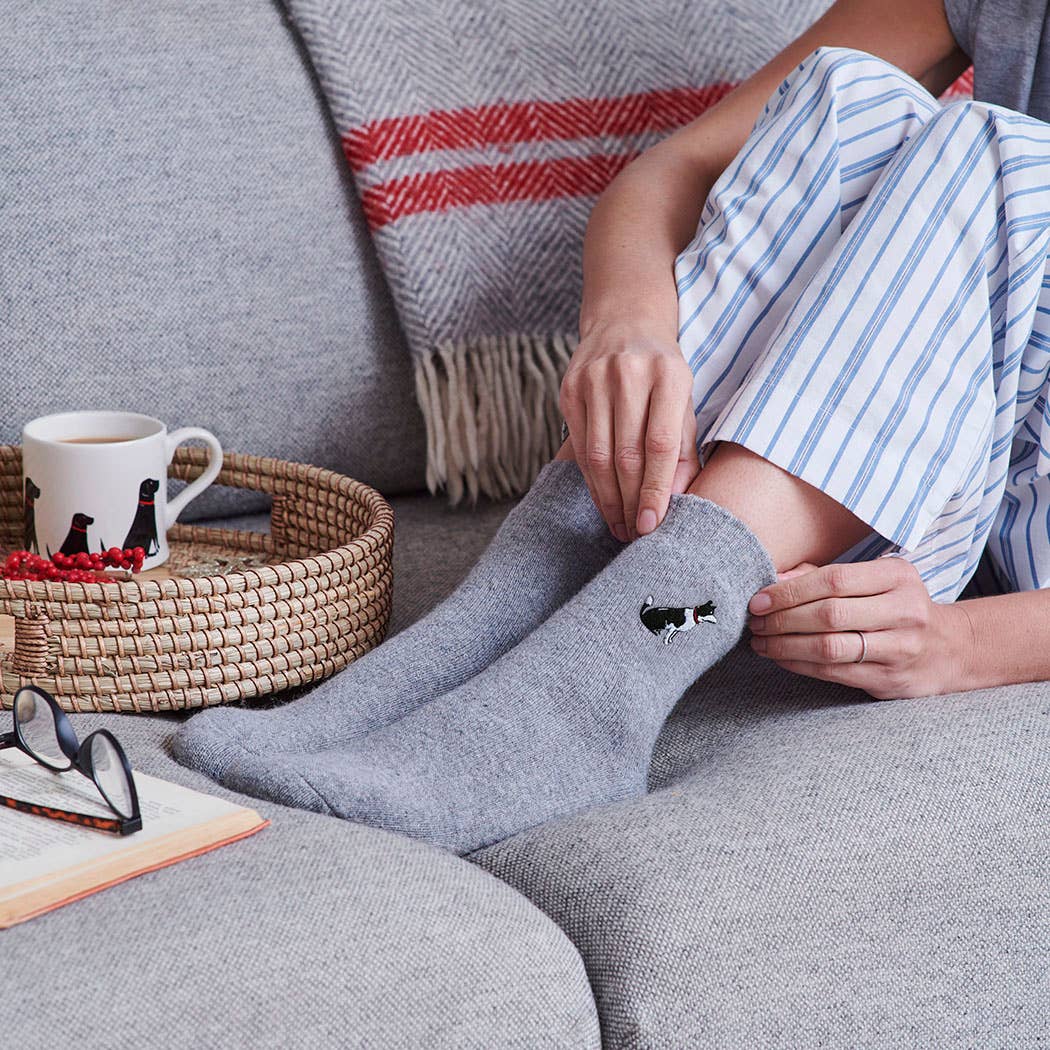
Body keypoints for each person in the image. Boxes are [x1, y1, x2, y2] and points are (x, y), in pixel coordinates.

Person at [174, 0, 1050, 854]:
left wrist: (959, 647)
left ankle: (597, 688)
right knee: (846, 101)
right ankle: (490, 623)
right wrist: (628, 324)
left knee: (991, 153)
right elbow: (678, 166)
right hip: (940, 448)